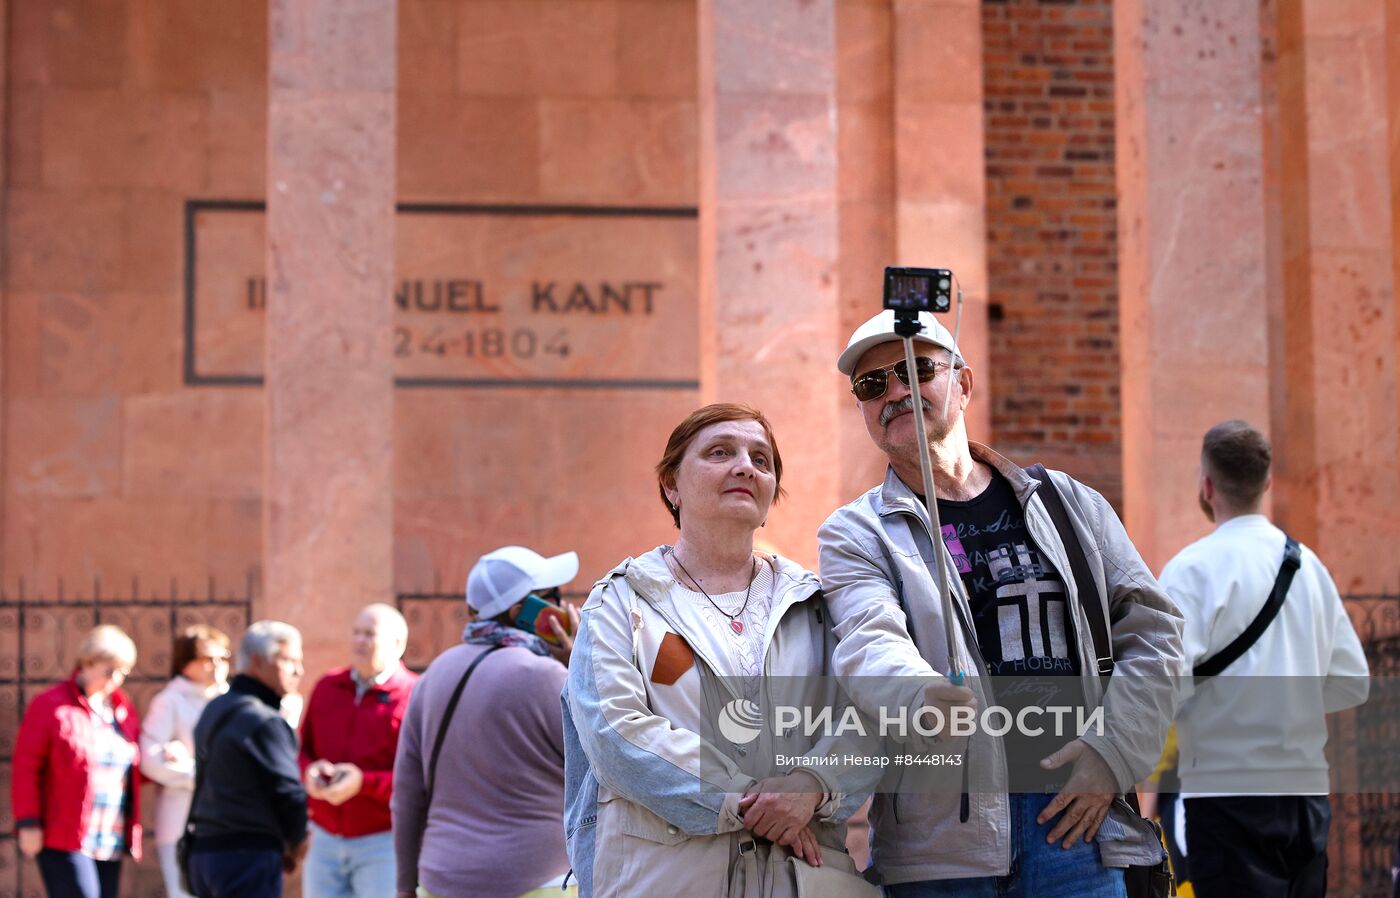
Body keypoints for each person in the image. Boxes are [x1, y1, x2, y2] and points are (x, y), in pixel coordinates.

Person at [818, 310, 1184, 896]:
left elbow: (1155, 633)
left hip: (1076, 828)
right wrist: (919, 693)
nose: (895, 391)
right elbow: (868, 637)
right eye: (872, 384)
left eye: (916, 370)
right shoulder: (856, 533)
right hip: (940, 847)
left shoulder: (1068, 503)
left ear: (962, 385)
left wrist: (1114, 753)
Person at [564, 403, 878, 898]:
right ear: (671, 485)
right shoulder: (621, 602)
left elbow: (870, 717)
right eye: (719, 452)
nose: (745, 467)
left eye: (761, 459)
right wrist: (751, 801)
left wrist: (814, 784)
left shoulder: (817, 605)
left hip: (803, 883)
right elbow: (616, 733)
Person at [1158, 420, 1369, 898]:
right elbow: (1353, 680)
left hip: (1224, 789)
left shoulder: (1191, 569)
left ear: (1207, 486)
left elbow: (1161, 685)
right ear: (1267, 483)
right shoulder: (1309, 566)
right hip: (1305, 792)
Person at [393, 544, 581, 898]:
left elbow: (406, 795)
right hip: (539, 883)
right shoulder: (547, 677)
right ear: (521, 612)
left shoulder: (434, 674)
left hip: (440, 882)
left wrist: (404, 886)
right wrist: (582, 662)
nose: (562, 606)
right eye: (551, 596)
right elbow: (605, 763)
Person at [11, 625, 141, 898]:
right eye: (109, 671)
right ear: (87, 663)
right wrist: (28, 822)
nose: (115, 680)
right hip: (65, 834)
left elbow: (135, 765)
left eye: (122, 673)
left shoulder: (121, 709)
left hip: (109, 834)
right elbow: (26, 766)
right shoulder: (51, 705)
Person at [300, 604, 417, 898]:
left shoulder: (416, 696)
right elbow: (303, 750)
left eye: (369, 634)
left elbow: (419, 778)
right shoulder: (328, 686)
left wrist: (362, 783)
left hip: (383, 842)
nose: (359, 641)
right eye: (356, 632)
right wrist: (309, 773)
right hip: (324, 838)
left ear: (397, 645)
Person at [185, 620, 309, 898]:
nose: (298, 671)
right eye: (288, 660)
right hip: (246, 858)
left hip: (205, 854)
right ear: (257, 662)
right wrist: (298, 840)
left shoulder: (214, 709)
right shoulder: (264, 721)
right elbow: (288, 792)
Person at [140, 625, 233, 898]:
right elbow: (150, 758)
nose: (216, 666)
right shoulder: (170, 702)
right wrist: (201, 775)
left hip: (229, 819)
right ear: (186, 664)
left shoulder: (234, 701)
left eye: (222, 657)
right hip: (182, 821)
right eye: (207, 659)